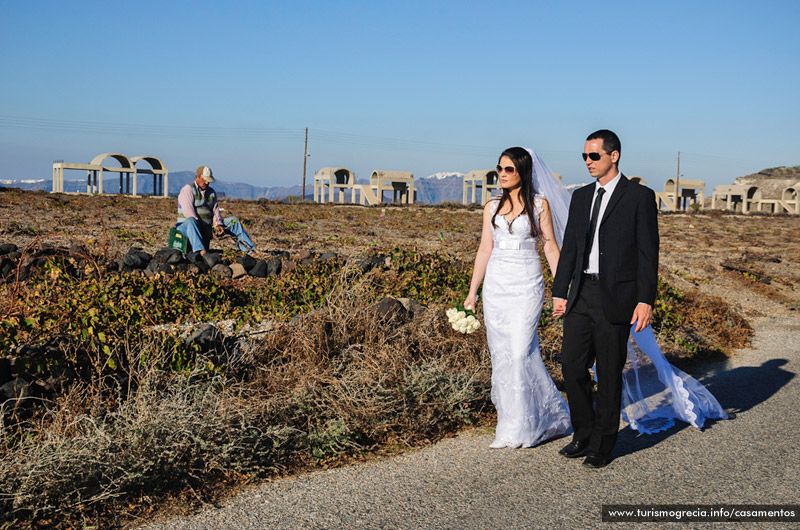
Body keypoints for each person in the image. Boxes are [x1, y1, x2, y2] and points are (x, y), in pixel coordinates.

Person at [551, 129, 660, 469]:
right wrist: (559, 290)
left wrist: (645, 299)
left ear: (614, 156)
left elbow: (648, 253)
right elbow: (570, 247)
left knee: (609, 372)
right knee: (571, 364)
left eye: (594, 156)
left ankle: (604, 441)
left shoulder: (639, 197)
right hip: (581, 292)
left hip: (617, 296)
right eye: (584, 156)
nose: (588, 162)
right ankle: (583, 432)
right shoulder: (581, 196)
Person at [463, 147, 572, 449]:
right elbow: (485, 249)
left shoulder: (540, 205)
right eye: (499, 168)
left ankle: (535, 424)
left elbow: (550, 248)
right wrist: (472, 292)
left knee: (522, 352)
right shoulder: (491, 207)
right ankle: (509, 426)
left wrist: (560, 291)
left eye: (508, 169)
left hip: (527, 284)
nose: (501, 174)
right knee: (502, 357)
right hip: (496, 286)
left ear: (523, 172)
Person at [176, 166, 257, 255]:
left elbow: (215, 211)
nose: (206, 182)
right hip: (187, 226)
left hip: (207, 226)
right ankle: (200, 251)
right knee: (191, 221)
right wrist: (204, 226)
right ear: (197, 177)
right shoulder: (188, 189)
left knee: (233, 221)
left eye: (208, 181)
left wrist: (218, 224)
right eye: (204, 180)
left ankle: (250, 250)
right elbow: (188, 213)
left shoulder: (211, 192)